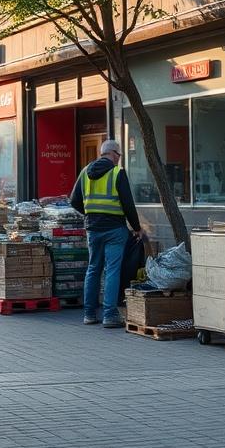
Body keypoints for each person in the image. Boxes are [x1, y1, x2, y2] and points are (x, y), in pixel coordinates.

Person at [69, 139, 142, 328]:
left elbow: (74, 200)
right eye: (118, 155)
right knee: (112, 270)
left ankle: (89, 313)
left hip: (93, 229)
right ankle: (110, 315)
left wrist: (91, 213)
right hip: (114, 230)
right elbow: (128, 204)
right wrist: (136, 227)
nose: (119, 159)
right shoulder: (117, 173)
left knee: (93, 269)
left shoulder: (85, 172)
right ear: (113, 153)